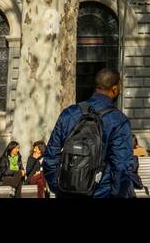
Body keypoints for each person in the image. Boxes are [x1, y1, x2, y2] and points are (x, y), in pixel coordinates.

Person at [42, 68, 133, 198]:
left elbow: (50, 157)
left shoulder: (69, 114)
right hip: (102, 193)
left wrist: (59, 187)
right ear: (114, 89)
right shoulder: (119, 120)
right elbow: (122, 167)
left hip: (67, 192)